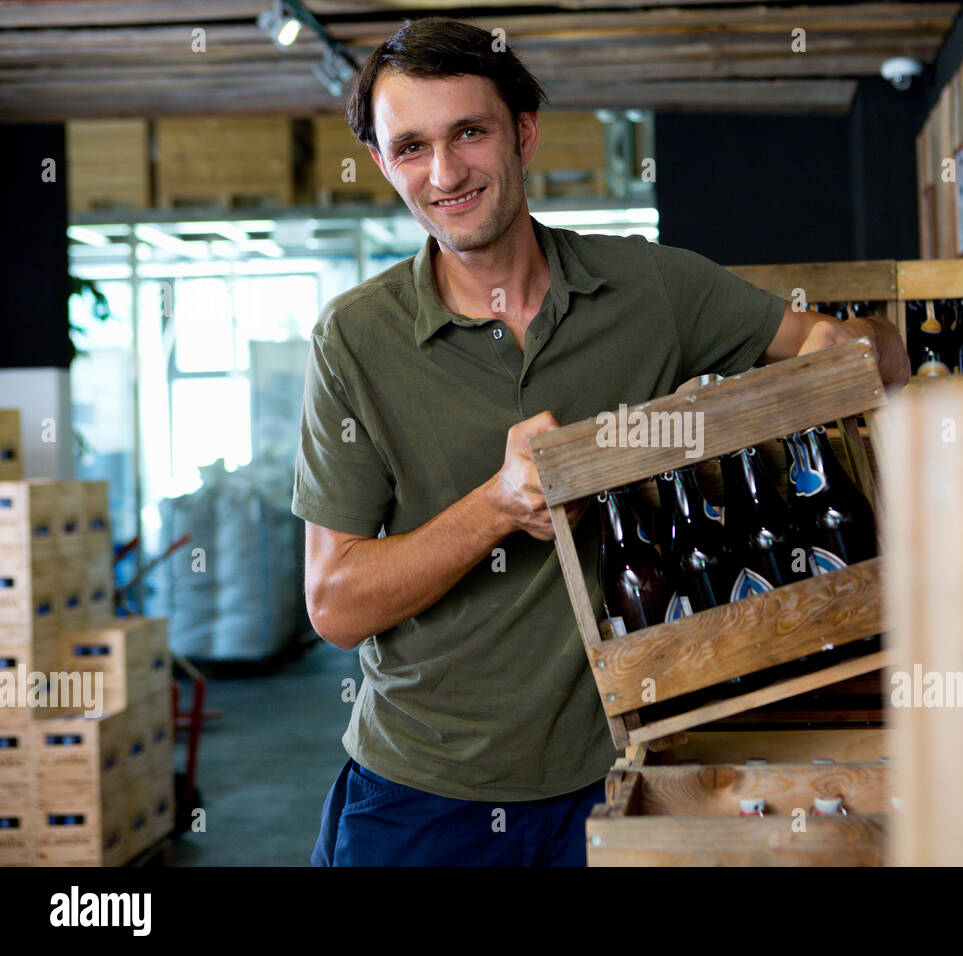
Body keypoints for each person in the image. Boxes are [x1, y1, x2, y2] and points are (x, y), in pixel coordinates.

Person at [298, 16, 908, 867]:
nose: (444, 174)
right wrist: (499, 506)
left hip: (622, 772)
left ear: (523, 131)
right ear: (383, 162)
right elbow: (334, 601)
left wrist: (833, 363)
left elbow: (866, 346)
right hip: (422, 795)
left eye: (469, 133)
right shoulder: (353, 341)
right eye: (411, 147)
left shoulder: (649, 286)